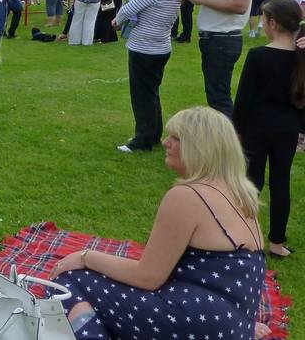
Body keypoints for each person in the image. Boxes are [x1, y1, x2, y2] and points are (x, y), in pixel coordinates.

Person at [49, 107, 265, 340]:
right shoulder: (241, 195)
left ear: (199, 147)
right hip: (234, 326)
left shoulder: (187, 196)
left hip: (199, 322)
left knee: (66, 283)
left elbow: (148, 277)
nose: (164, 142)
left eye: (176, 138)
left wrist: (85, 257)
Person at [233, 0, 303, 259]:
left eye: (264, 20)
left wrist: (237, 129)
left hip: (257, 127)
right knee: (280, 181)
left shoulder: (259, 56)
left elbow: (243, 98)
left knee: (252, 181)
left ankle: (246, 236)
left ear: (272, 23)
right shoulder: (299, 58)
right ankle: (276, 242)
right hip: (287, 128)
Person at [113, 0, 184, 152]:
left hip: (144, 47)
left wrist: (117, 21)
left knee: (141, 96)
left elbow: (129, 8)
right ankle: (153, 134)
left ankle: (142, 139)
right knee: (152, 93)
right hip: (161, 47)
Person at [187, 0, 253, 117]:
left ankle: (227, 142)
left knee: (219, 98)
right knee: (215, 94)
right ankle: (225, 141)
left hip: (222, 39)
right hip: (215, 39)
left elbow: (240, 5)